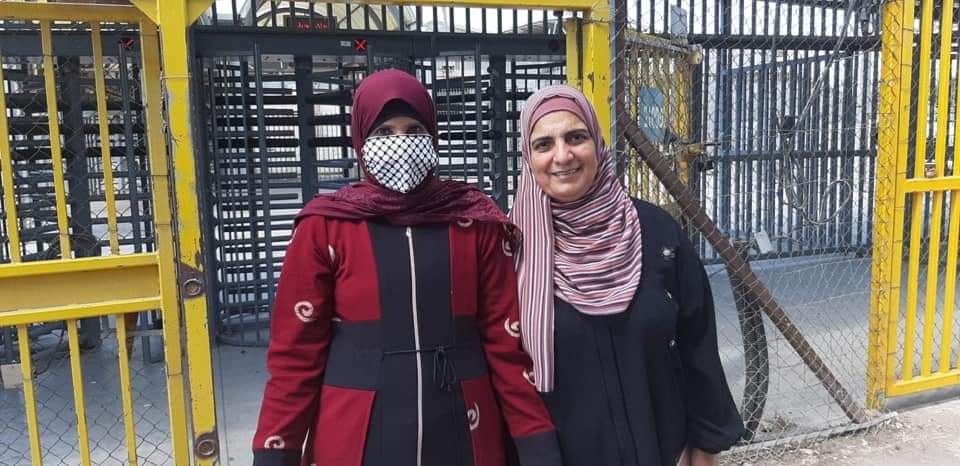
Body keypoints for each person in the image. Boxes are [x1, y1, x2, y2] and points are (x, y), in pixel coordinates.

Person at [252, 69, 562, 466]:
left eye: (414, 129)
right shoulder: (326, 227)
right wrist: (275, 451)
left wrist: (537, 443)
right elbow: (295, 357)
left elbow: (505, 346)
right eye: (384, 133)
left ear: (432, 135)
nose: (401, 143)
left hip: (465, 432)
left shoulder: (475, 223)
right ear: (361, 140)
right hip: (356, 438)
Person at [509, 85, 745, 466]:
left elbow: (697, 344)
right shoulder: (511, 249)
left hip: (664, 451)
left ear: (598, 143)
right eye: (544, 144)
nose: (562, 155)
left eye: (576, 137)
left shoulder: (656, 233)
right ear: (527, 156)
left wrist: (705, 446)